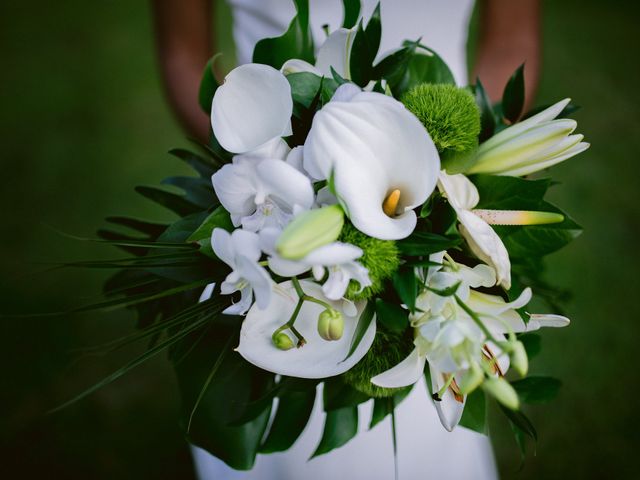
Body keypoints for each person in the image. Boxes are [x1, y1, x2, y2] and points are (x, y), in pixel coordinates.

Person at [151, 1, 541, 478]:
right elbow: (182, 54)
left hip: (440, 178)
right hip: (271, 185)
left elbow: (511, 43)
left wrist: (444, 179)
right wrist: (267, 154)